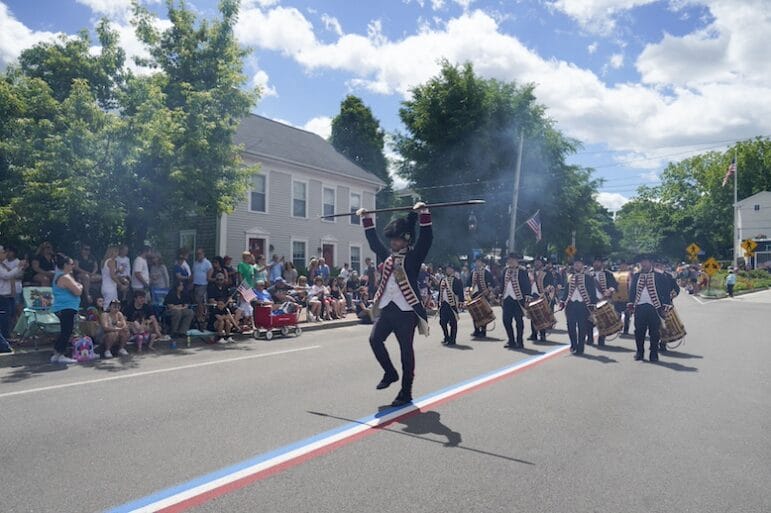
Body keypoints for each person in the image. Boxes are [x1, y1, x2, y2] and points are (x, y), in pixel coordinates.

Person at [358, 202, 432, 407]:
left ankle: (406, 392)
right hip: (388, 307)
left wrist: (424, 214)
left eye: (397, 239)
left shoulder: (414, 258)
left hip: (406, 311)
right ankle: (390, 373)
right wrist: (366, 218)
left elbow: (427, 239)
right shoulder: (389, 258)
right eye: (392, 239)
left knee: (406, 352)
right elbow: (374, 243)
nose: (393, 243)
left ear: (406, 239)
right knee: (374, 340)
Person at [627, 254, 675, 362]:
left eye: (645, 261)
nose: (643, 264)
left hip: (655, 307)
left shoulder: (659, 275)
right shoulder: (636, 275)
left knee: (654, 332)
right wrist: (630, 303)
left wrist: (665, 306)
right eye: (642, 262)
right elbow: (632, 291)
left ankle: (653, 354)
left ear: (650, 262)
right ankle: (640, 352)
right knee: (639, 331)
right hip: (639, 307)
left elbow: (665, 291)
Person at [559, 256, 597, 356]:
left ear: (582, 265)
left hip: (583, 305)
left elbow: (592, 292)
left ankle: (580, 347)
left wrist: (592, 305)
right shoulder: (570, 277)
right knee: (570, 326)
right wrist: (562, 301)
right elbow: (567, 291)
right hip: (571, 304)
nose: (577, 265)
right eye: (575, 263)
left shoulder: (588, 278)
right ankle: (573, 345)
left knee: (582, 327)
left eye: (579, 263)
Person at [50, 254, 82, 364]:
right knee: (67, 331)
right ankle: (60, 354)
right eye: (71, 264)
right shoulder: (65, 277)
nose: (73, 266)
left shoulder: (59, 275)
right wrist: (80, 286)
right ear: (65, 265)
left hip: (64, 307)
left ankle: (57, 354)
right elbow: (78, 291)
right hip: (66, 307)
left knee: (65, 331)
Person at [500, 253, 532, 349]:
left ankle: (519, 341)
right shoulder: (505, 270)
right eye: (509, 260)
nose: (510, 261)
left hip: (518, 299)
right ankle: (511, 340)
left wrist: (527, 298)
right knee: (506, 320)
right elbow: (502, 283)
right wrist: (499, 293)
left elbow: (527, 285)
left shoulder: (522, 271)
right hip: (507, 298)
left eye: (512, 260)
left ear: (516, 261)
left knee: (518, 320)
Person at [587, 256, 618, 346]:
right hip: (591, 300)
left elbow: (614, 285)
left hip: (603, 300)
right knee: (589, 321)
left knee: (603, 321)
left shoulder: (608, 274)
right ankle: (589, 338)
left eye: (598, 262)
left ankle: (601, 339)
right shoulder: (588, 274)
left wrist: (610, 290)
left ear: (602, 263)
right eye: (595, 262)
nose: (596, 264)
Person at [0, 245, 27, 341]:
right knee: (4, 317)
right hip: (2, 295)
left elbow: (17, 275)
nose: (5, 254)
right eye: (3, 252)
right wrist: (19, 267)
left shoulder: (3, 264)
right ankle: (5, 337)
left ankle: (9, 334)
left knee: (11, 314)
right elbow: (6, 276)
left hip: (9, 294)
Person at [528, 257, 554, 342]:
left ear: (542, 264)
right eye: (536, 262)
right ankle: (533, 334)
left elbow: (551, 284)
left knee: (542, 316)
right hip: (532, 296)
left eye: (538, 262)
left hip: (542, 296)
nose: (537, 264)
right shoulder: (530, 273)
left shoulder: (547, 273)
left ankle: (542, 335)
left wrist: (546, 292)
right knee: (533, 316)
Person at [467, 256, 494, 338]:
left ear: (482, 263)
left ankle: (483, 331)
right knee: (475, 313)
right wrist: (469, 290)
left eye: (479, 262)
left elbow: (491, 283)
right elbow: (468, 283)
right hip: (474, 294)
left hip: (483, 294)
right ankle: (476, 330)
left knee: (483, 313)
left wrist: (488, 291)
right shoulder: (473, 272)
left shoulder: (486, 272)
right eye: (476, 262)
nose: (477, 263)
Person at [438, 263, 464, 346]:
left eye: (450, 269)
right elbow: (440, 292)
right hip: (444, 304)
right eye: (447, 269)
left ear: (453, 270)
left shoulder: (457, 280)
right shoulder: (443, 280)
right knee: (442, 322)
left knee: (453, 323)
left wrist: (461, 302)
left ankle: (452, 339)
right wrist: (439, 302)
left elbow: (460, 292)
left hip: (452, 304)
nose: (448, 270)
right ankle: (446, 336)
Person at [612, 261, 634, 335]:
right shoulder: (614, 274)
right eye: (621, 265)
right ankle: (618, 328)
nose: (622, 266)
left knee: (627, 315)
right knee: (617, 314)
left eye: (624, 265)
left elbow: (631, 286)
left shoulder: (630, 274)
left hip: (626, 297)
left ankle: (626, 330)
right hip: (616, 297)